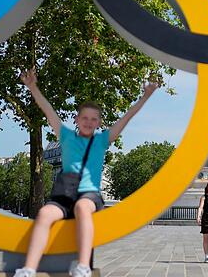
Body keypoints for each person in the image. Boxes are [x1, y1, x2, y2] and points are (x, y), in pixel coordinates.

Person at [14, 68, 157, 277]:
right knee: (44, 213)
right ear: (76, 119)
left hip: (88, 196)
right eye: (85, 118)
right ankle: (29, 268)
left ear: (99, 122)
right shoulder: (65, 136)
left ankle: (82, 266)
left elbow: (127, 118)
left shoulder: (102, 140)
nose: (89, 122)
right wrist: (33, 87)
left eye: (93, 119)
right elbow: (48, 110)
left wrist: (145, 96)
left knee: (82, 207)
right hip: (64, 196)